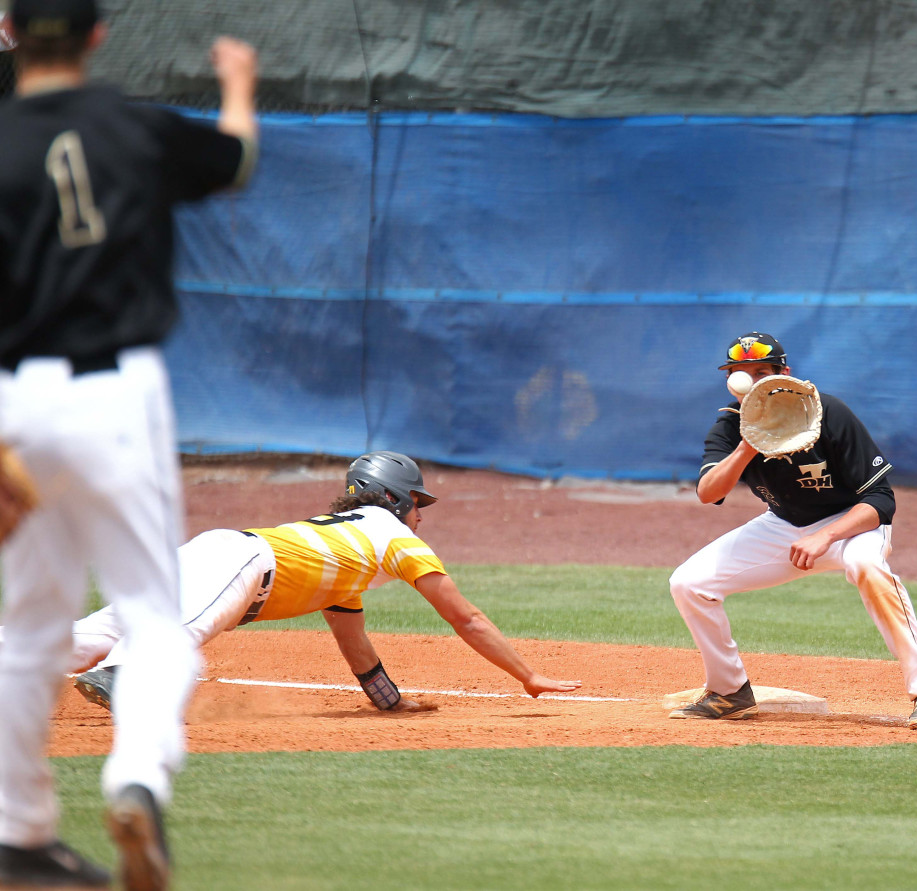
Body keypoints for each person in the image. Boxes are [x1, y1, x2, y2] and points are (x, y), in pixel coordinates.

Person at [0, 0, 258, 887]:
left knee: (28, 624)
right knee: (154, 620)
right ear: (98, 35)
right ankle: (138, 778)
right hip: (117, 392)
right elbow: (235, 159)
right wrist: (235, 85)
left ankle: (22, 834)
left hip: (15, 403)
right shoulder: (133, 129)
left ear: (8, 32)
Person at [62, 451, 582, 713]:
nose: (420, 516)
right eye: (416, 503)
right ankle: (120, 673)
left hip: (212, 555)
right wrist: (527, 677)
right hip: (241, 565)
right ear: (394, 500)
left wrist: (389, 701)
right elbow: (464, 617)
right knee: (174, 639)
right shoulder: (392, 537)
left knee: (92, 635)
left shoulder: (346, 555)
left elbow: (352, 642)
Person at [668, 332, 917, 729]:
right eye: (741, 374)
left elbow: (882, 501)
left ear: (785, 373)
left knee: (868, 568)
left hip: (852, 523)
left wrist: (827, 535)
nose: (752, 381)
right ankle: (730, 689)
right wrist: (747, 445)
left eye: (762, 372)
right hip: (783, 525)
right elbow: (708, 492)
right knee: (688, 583)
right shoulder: (731, 425)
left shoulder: (828, 413)